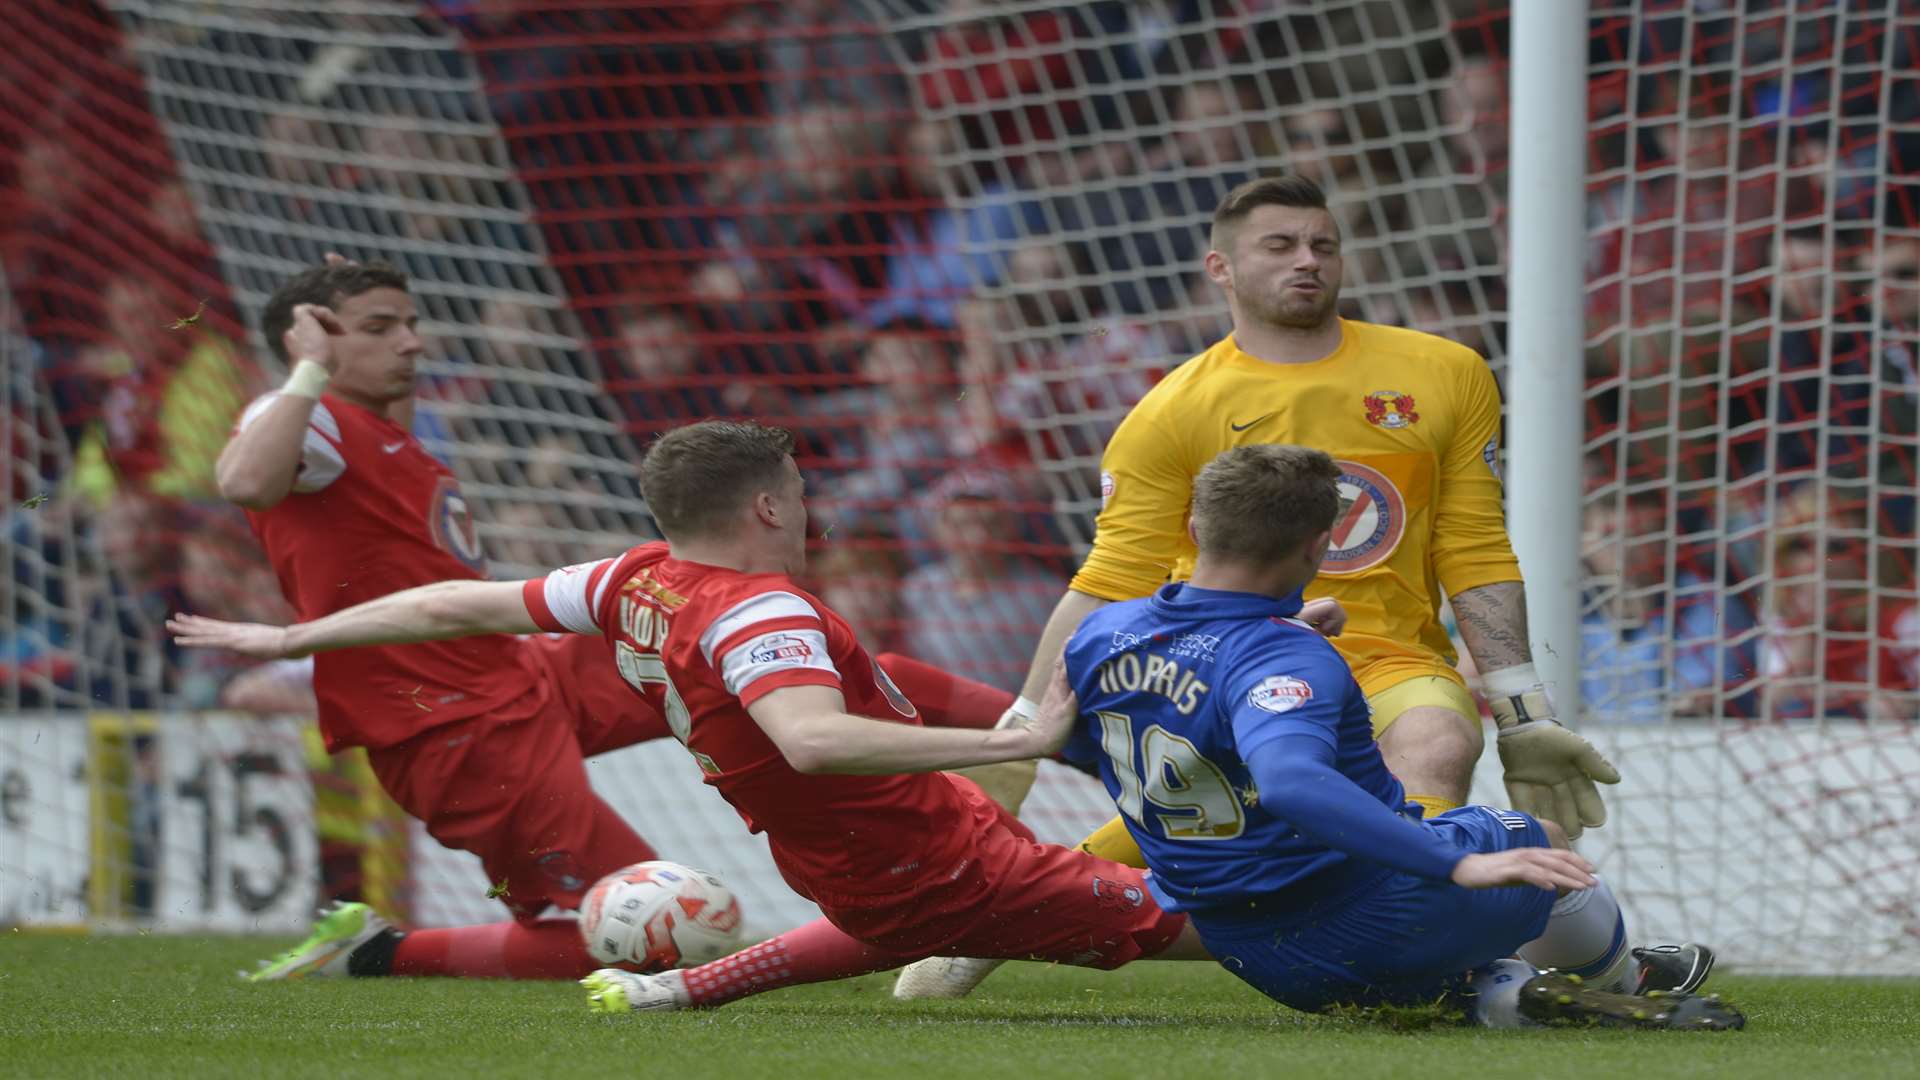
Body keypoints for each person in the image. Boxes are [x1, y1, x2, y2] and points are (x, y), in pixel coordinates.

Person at [169, 419, 1217, 1012]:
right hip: (927, 860)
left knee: (897, 688)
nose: (808, 509)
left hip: (858, 865)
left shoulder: (635, 577)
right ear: (766, 508)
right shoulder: (761, 612)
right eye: (798, 493)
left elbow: (459, 602)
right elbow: (811, 739)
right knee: (1253, 927)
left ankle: (697, 988)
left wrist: (295, 638)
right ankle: (1087, 826)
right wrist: (1019, 741)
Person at [894, 172, 1625, 999]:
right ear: (1221, 270)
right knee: (1207, 807)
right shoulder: (1173, 409)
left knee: (1438, 744)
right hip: (1218, 662)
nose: (1307, 261)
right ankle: (1015, 909)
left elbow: (1475, 547)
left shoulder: (1445, 373)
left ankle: (1425, 960)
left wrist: (1523, 712)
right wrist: (1021, 726)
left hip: (1389, 658)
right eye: (1279, 246)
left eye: (1322, 244)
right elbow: (1111, 579)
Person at [1054, 443, 1739, 1028]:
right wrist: (1457, 864)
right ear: (1321, 546)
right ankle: (1626, 984)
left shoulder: (1103, 633)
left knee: (1427, 963)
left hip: (1252, 954)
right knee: (1542, 845)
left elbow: (1091, 748)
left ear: (1195, 527)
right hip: (1381, 912)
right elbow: (1292, 781)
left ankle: (1506, 994)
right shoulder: (1291, 659)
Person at [207, 257, 672, 981]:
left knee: (723, 659)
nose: (413, 341)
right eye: (382, 328)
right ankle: (378, 953)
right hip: (451, 724)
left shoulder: (380, 428)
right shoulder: (303, 415)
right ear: (318, 346)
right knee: (655, 933)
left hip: (515, 673)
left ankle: (894, 852)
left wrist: (356, 300)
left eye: (412, 322)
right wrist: (308, 367)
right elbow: (242, 481)